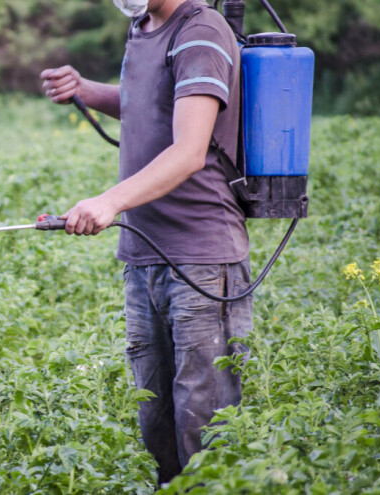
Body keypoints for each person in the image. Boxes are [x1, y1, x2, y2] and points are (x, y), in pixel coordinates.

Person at [40, 0, 251, 486]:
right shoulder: (143, 26)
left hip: (200, 263)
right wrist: (87, 91)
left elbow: (189, 151)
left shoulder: (201, 32)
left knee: (205, 425)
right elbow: (152, 101)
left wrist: (109, 201)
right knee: (154, 422)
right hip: (143, 254)